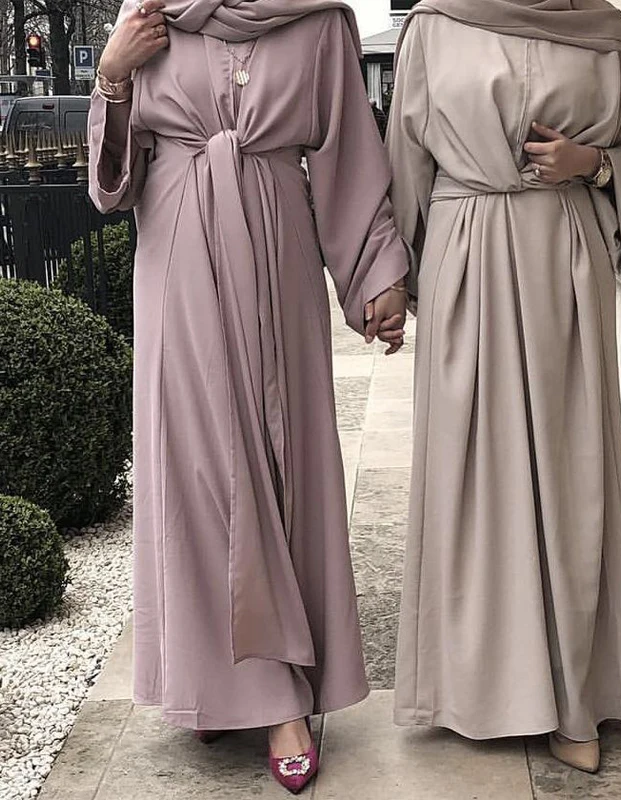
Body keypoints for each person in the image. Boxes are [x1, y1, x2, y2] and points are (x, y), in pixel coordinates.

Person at [89, 0, 407, 793]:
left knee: (282, 460)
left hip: (277, 245)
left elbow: (346, 152)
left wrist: (376, 273)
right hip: (178, 247)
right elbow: (115, 186)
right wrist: (113, 76)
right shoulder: (151, 11)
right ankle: (223, 682)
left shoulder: (319, 21)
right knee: (199, 472)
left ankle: (275, 692)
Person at [386, 0, 621, 774]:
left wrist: (593, 165)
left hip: (564, 259)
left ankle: (577, 693)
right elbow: (405, 158)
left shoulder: (607, 34)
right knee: (475, 471)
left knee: (573, 476)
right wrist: (392, 278)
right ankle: (475, 687)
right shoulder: (435, 25)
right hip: (466, 253)